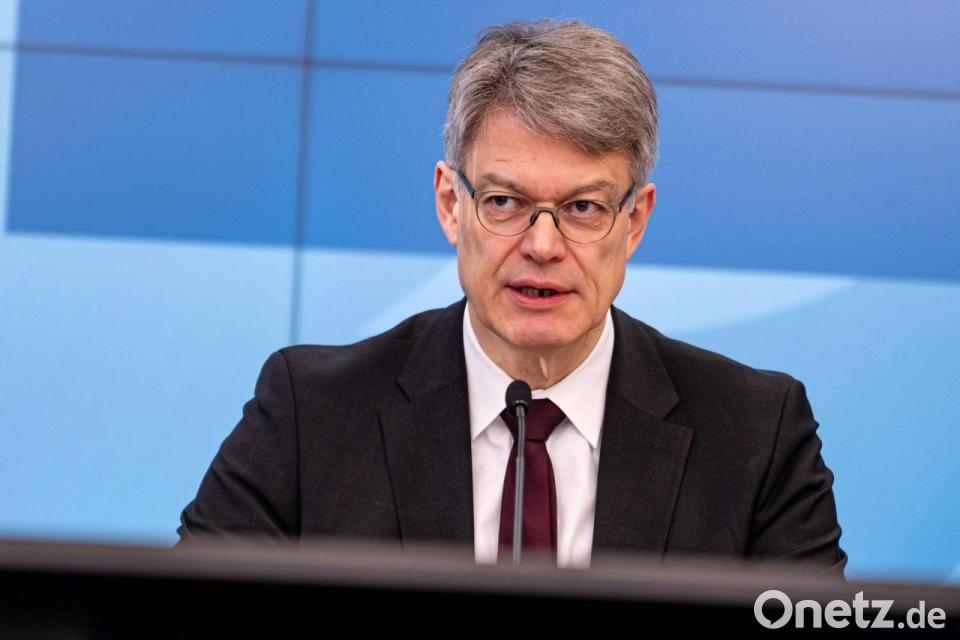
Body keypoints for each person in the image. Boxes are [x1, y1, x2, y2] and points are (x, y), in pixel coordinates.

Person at [177, 19, 847, 574]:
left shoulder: (755, 433)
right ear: (451, 204)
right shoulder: (311, 414)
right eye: (504, 201)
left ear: (635, 221)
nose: (543, 245)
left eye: (583, 207)